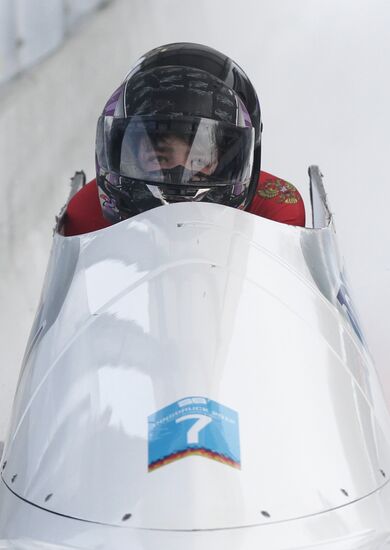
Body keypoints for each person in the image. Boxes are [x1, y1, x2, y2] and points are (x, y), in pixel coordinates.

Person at [63, 43, 305, 237]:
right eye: (159, 157)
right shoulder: (85, 215)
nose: (179, 173)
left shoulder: (276, 209)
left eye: (199, 158)